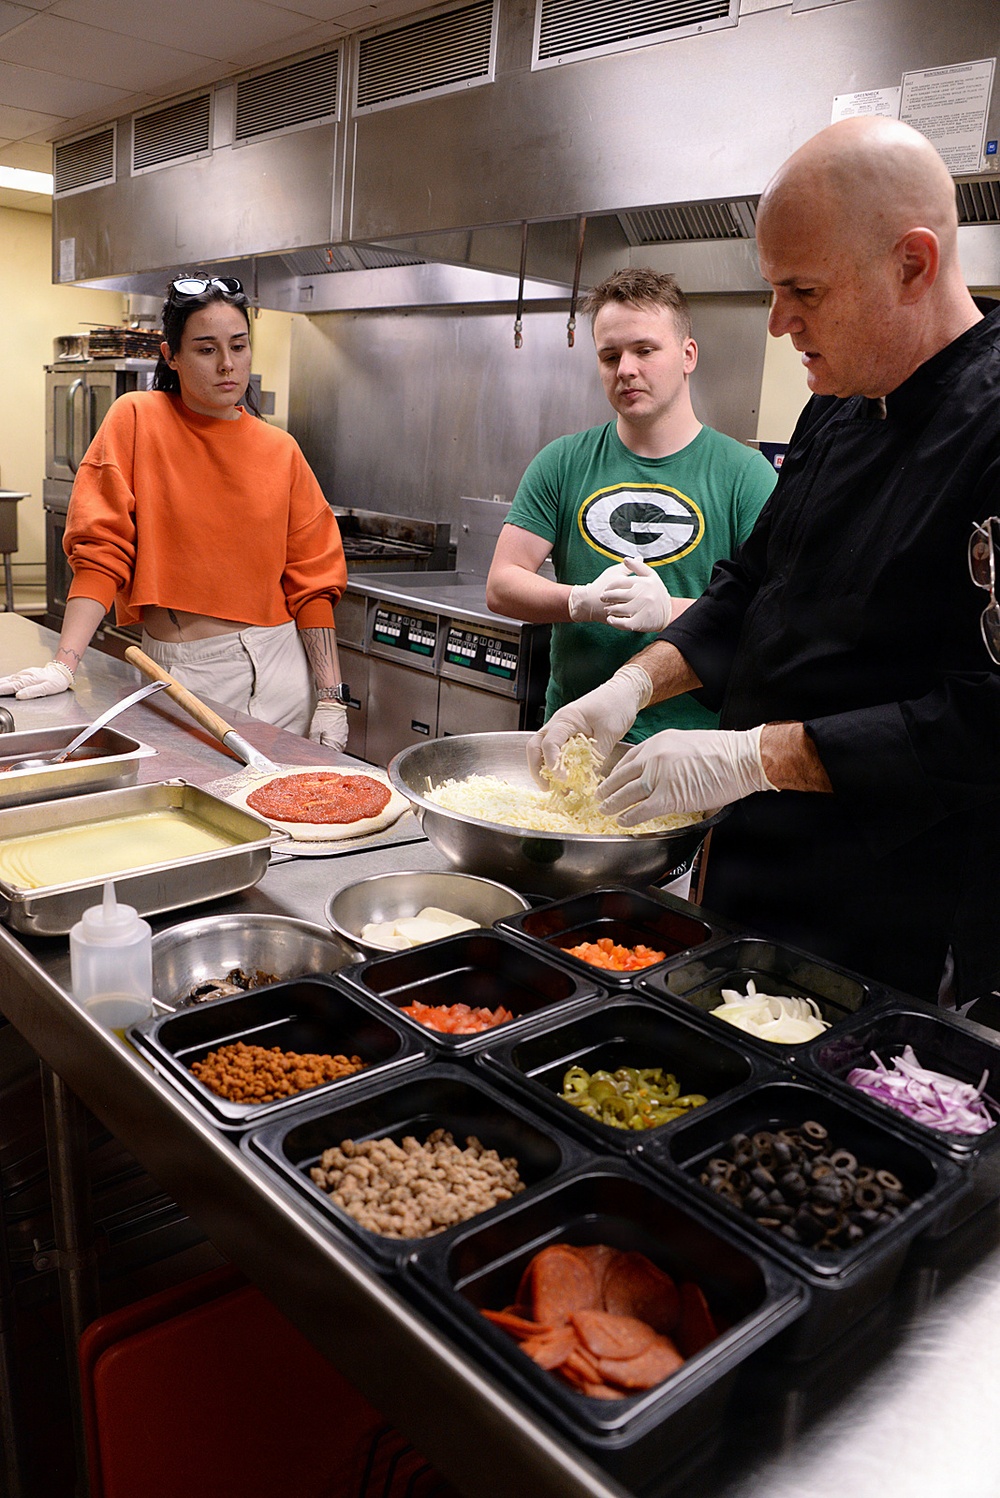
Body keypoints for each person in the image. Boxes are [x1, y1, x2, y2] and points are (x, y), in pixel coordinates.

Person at [529, 115, 1000, 1005]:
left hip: (902, 917)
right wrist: (629, 686)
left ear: (913, 264)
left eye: (803, 291)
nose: (779, 323)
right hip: (756, 876)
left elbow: (986, 720)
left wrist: (757, 757)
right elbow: (751, 585)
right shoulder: (841, 401)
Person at [0, 274, 351, 747]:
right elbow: (101, 549)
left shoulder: (281, 449)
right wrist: (64, 664)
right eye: (206, 349)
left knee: (293, 793)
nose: (228, 364)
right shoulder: (137, 418)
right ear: (172, 356)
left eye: (239, 346)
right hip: (188, 674)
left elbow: (313, 580)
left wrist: (330, 698)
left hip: (285, 669)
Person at [486, 268, 777, 740]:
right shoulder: (563, 462)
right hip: (573, 741)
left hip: (689, 750)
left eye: (644, 350)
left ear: (688, 355)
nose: (625, 369)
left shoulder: (746, 476)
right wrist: (580, 601)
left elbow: (772, 619)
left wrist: (671, 611)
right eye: (610, 355)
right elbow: (502, 584)